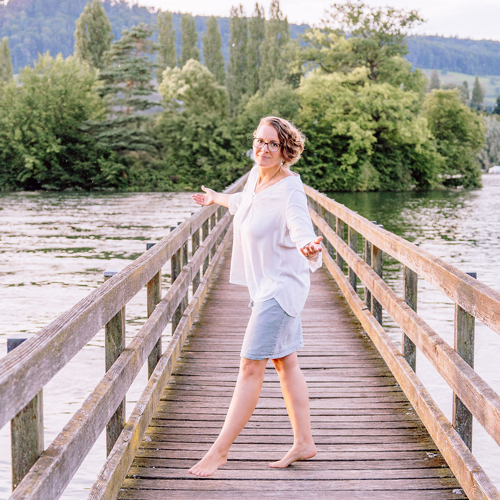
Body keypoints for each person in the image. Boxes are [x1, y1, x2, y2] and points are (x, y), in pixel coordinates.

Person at [189, 116, 323, 478]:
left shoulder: (290, 188)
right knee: (285, 363)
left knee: (250, 366)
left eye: (272, 144)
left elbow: (300, 228)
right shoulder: (255, 178)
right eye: (259, 141)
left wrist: (308, 248)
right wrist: (216, 198)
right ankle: (304, 442)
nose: (263, 149)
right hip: (263, 286)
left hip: (280, 290)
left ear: (286, 151)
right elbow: (243, 205)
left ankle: (219, 452)